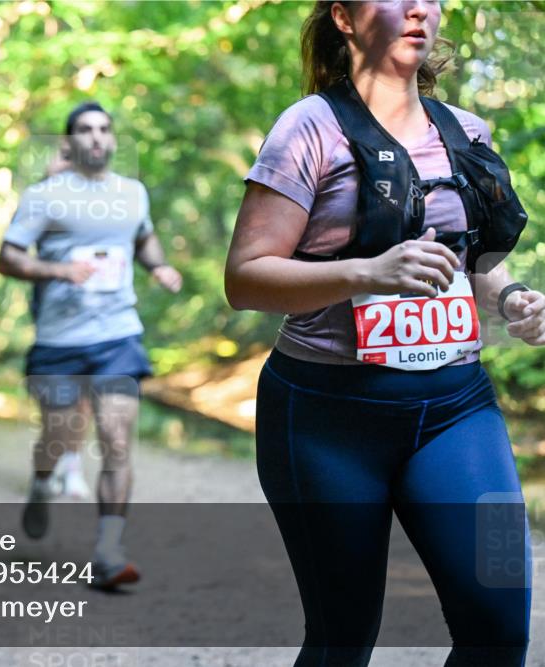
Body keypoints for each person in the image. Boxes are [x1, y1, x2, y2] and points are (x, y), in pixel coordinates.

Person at [225, 2, 542, 665]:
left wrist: (512, 298)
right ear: (345, 17)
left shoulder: (466, 131)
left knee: (501, 624)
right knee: (342, 637)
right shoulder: (308, 129)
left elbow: (474, 259)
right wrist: (366, 270)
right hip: (325, 417)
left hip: (458, 409)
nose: (420, 7)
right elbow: (246, 278)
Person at [0, 101, 183, 590]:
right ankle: (42, 483)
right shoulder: (44, 197)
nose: (96, 137)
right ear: (70, 141)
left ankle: (108, 549)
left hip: (117, 335)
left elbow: (144, 239)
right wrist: (58, 270)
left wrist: (158, 266)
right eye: (85, 129)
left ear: (114, 139)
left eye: (104, 128)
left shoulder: (132, 194)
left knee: (117, 438)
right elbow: (8, 258)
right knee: (59, 437)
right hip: (59, 340)